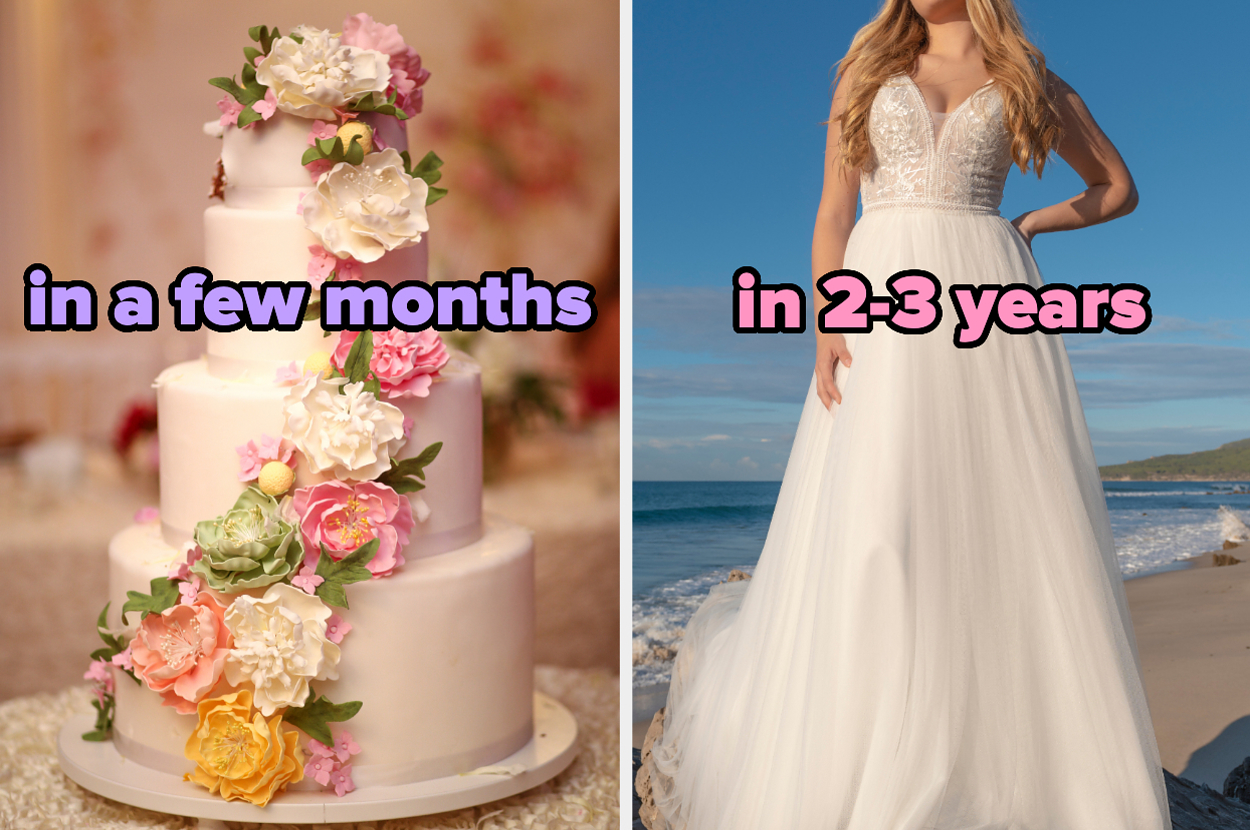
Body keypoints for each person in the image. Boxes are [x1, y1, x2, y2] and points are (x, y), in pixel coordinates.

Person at [636, 0, 1172, 828]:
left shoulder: (1028, 77)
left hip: (991, 301)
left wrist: (1028, 225)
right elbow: (831, 213)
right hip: (882, 295)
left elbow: (1118, 188)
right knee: (881, 517)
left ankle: (1004, 759)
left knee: (1001, 520)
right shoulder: (868, 68)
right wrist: (829, 314)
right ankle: (869, 754)